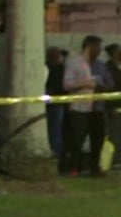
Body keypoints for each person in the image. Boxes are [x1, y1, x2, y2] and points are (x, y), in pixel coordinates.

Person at [63, 36, 106, 177]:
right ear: (89, 46)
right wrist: (86, 84)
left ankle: (94, 167)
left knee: (97, 139)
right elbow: (67, 84)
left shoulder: (97, 65)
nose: (99, 51)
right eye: (97, 47)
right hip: (79, 108)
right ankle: (73, 168)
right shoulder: (74, 63)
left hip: (95, 108)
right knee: (77, 140)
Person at [44, 46, 67, 161]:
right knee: (53, 129)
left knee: (56, 129)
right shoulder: (45, 68)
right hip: (49, 102)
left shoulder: (61, 69)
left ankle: (57, 152)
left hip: (58, 102)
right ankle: (54, 151)